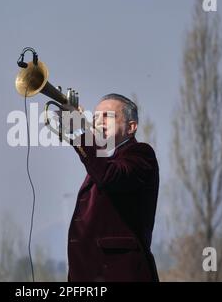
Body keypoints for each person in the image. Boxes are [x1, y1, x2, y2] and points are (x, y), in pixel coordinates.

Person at [67, 93, 159, 282]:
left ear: (131, 127)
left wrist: (80, 132)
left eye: (107, 116)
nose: (98, 122)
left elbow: (109, 176)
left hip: (121, 272)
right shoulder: (104, 161)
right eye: (94, 118)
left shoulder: (141, 154)